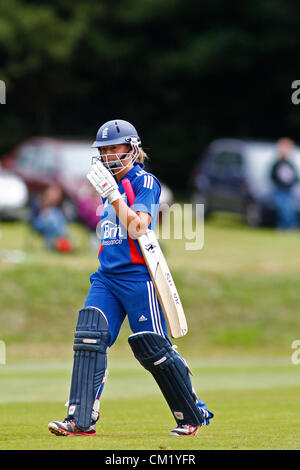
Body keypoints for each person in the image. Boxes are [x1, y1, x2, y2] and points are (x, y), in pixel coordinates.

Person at [48, 119, 213, 437]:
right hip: (106, 277)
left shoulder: (144, 182)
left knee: (154, 348)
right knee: (89, 338)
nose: (108, 155)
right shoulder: (104, 186)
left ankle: (192, 412)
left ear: (131, 149)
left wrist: (115, 197)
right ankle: (80, 420)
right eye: (103, 150)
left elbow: (139, 227)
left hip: (139, 277)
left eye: (114, 148)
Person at [31, 184, 73, 252]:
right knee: (51, 218)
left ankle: (60, 243)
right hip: (40, 225)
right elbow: (36, 221)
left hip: (56, 230)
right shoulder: (38, 203)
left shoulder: (59, 209)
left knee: (55, 217)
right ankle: (58, 243)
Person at [270, 138, 299, 230]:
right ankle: (283, 226)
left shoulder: (290, 164)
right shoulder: (277, 164)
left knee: (290, 209)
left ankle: (291, 226)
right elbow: (272, 176)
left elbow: (294, 177)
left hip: (289, 190)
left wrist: (291, 184)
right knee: (283, 209)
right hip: (280, 190)